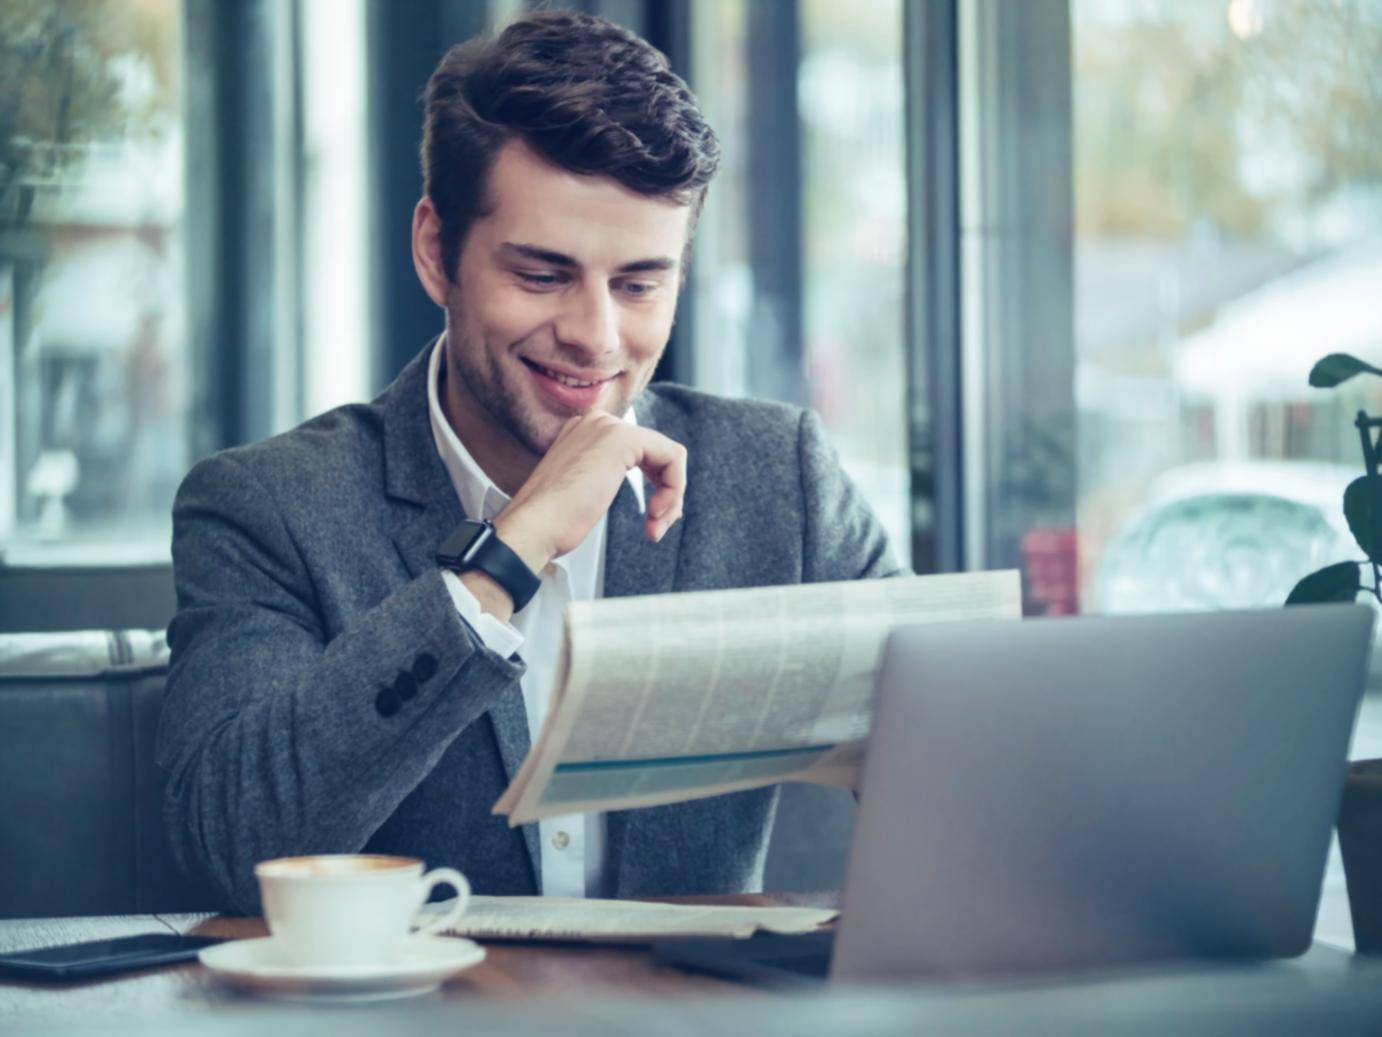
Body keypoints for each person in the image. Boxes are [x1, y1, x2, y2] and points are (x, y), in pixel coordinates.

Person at [159, 9, 901, 913]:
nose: (596, 338)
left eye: (639, 283)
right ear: (438, 253)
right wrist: (507, 555)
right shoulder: (269, 507)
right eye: (543, 276)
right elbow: (228, 847)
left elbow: (960, 772)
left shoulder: (780, 478)